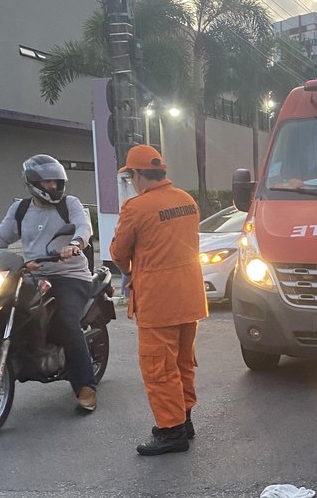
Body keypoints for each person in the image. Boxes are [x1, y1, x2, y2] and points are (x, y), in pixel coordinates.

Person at [110, 145, 208, 457]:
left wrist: (128, 270)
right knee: (182, 363)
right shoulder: (187, 201)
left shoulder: (136, 207)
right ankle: (184, 419)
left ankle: (171, 431)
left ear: (136, 174)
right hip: (189, 297)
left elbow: (118, 253)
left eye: (130, 176)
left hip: (158, 302)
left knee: (158, 368)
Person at [0, 155, 97, 412]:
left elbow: (83, 227)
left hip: (70, 275)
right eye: (48, 182)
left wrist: (75, 244)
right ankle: (22, 352)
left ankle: (86, 386)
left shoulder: (70, 204)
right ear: (33, 182)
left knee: (67, 322)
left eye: (57, 182)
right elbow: (1, 236)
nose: (53, 187)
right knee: (0, 307)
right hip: (32, 273)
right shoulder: (20, 209)